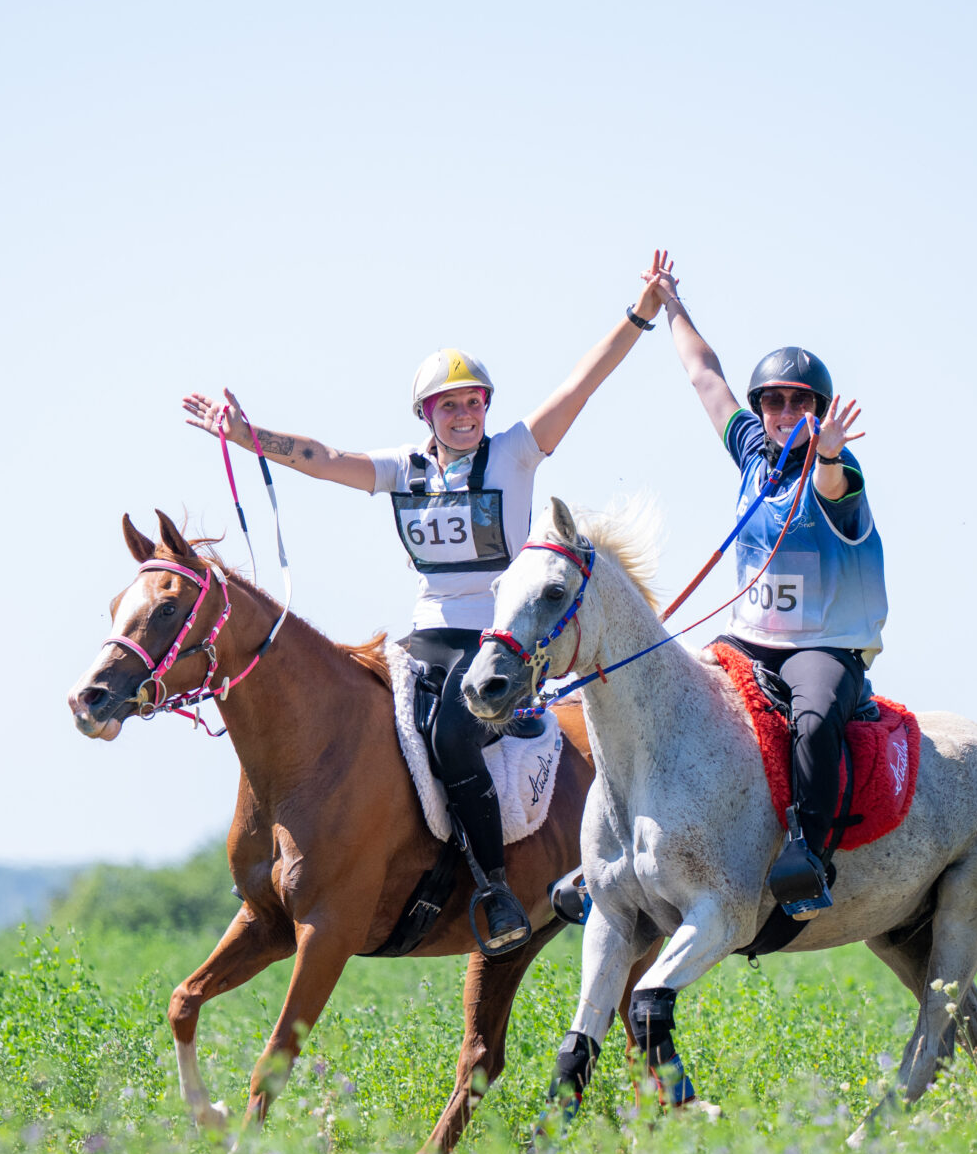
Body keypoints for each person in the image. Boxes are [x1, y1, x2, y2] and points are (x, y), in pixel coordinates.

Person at [182, 255, 671, 955]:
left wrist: (639, 314)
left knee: (449, 736)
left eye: (474, 402)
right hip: (421, 640)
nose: (466, 413)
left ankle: (497, 888)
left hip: (499, 642)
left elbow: (580, 387)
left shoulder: (514, 456)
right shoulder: (403, 468)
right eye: (452, 404)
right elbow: (321, 457)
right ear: (427, 415)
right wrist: (246, 436)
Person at [646, 261, 884, 919]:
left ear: (819, 410)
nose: (783, 412)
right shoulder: (754, 451)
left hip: (822, 647)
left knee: (811, 719)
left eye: (799, 401)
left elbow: (834, 488)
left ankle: (807, 852)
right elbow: (705, 375)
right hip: (747, 641)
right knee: (661, 692)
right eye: (773, 401)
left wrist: (830, 454)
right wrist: (670, 305)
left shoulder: (839, 465)